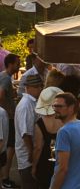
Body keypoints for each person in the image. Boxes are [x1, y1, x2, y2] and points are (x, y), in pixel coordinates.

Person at [50, 92, 80, 189]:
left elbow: (62, 169)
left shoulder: (64, 132)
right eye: (54, 106)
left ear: (71, 108)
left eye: (59, 106)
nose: (55, 109)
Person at [32, 87, 65, 189]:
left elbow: (38, 147)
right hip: (61, 160)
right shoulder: (64, 121)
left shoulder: (40, 123)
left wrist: (33, 166)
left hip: (44, 163)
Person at [15, 74, 42, 189]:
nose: (40, 89)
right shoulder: (25, 105)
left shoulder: (31, 102)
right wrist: (31, 153)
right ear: (29, 87)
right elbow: (25, 133)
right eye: (37, 87)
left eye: (40, 86)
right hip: (27, 157)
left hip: (30, 154)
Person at [0, 54, 17, 189]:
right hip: (8, 118)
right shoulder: (6, 78)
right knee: (9, 148)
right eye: (17, 63)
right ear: (10, 64)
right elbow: (1, 95)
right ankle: (5, 178)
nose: (18, 66)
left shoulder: (3, 75)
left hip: (6, 117)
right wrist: (8, 112)